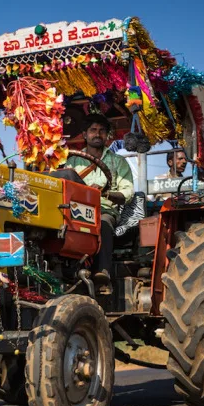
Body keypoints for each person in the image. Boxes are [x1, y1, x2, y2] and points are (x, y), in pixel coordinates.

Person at [66, 114, 134, 292]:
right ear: (85, 134)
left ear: (107, 136)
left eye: (102, 131)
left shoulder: (118, 162)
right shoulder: (71, 161)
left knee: (102, 222)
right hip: (73, 209)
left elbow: (128, 193)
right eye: (93, 130)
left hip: (103, 210)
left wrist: (105, 192)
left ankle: (102, 274)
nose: (98, 134)